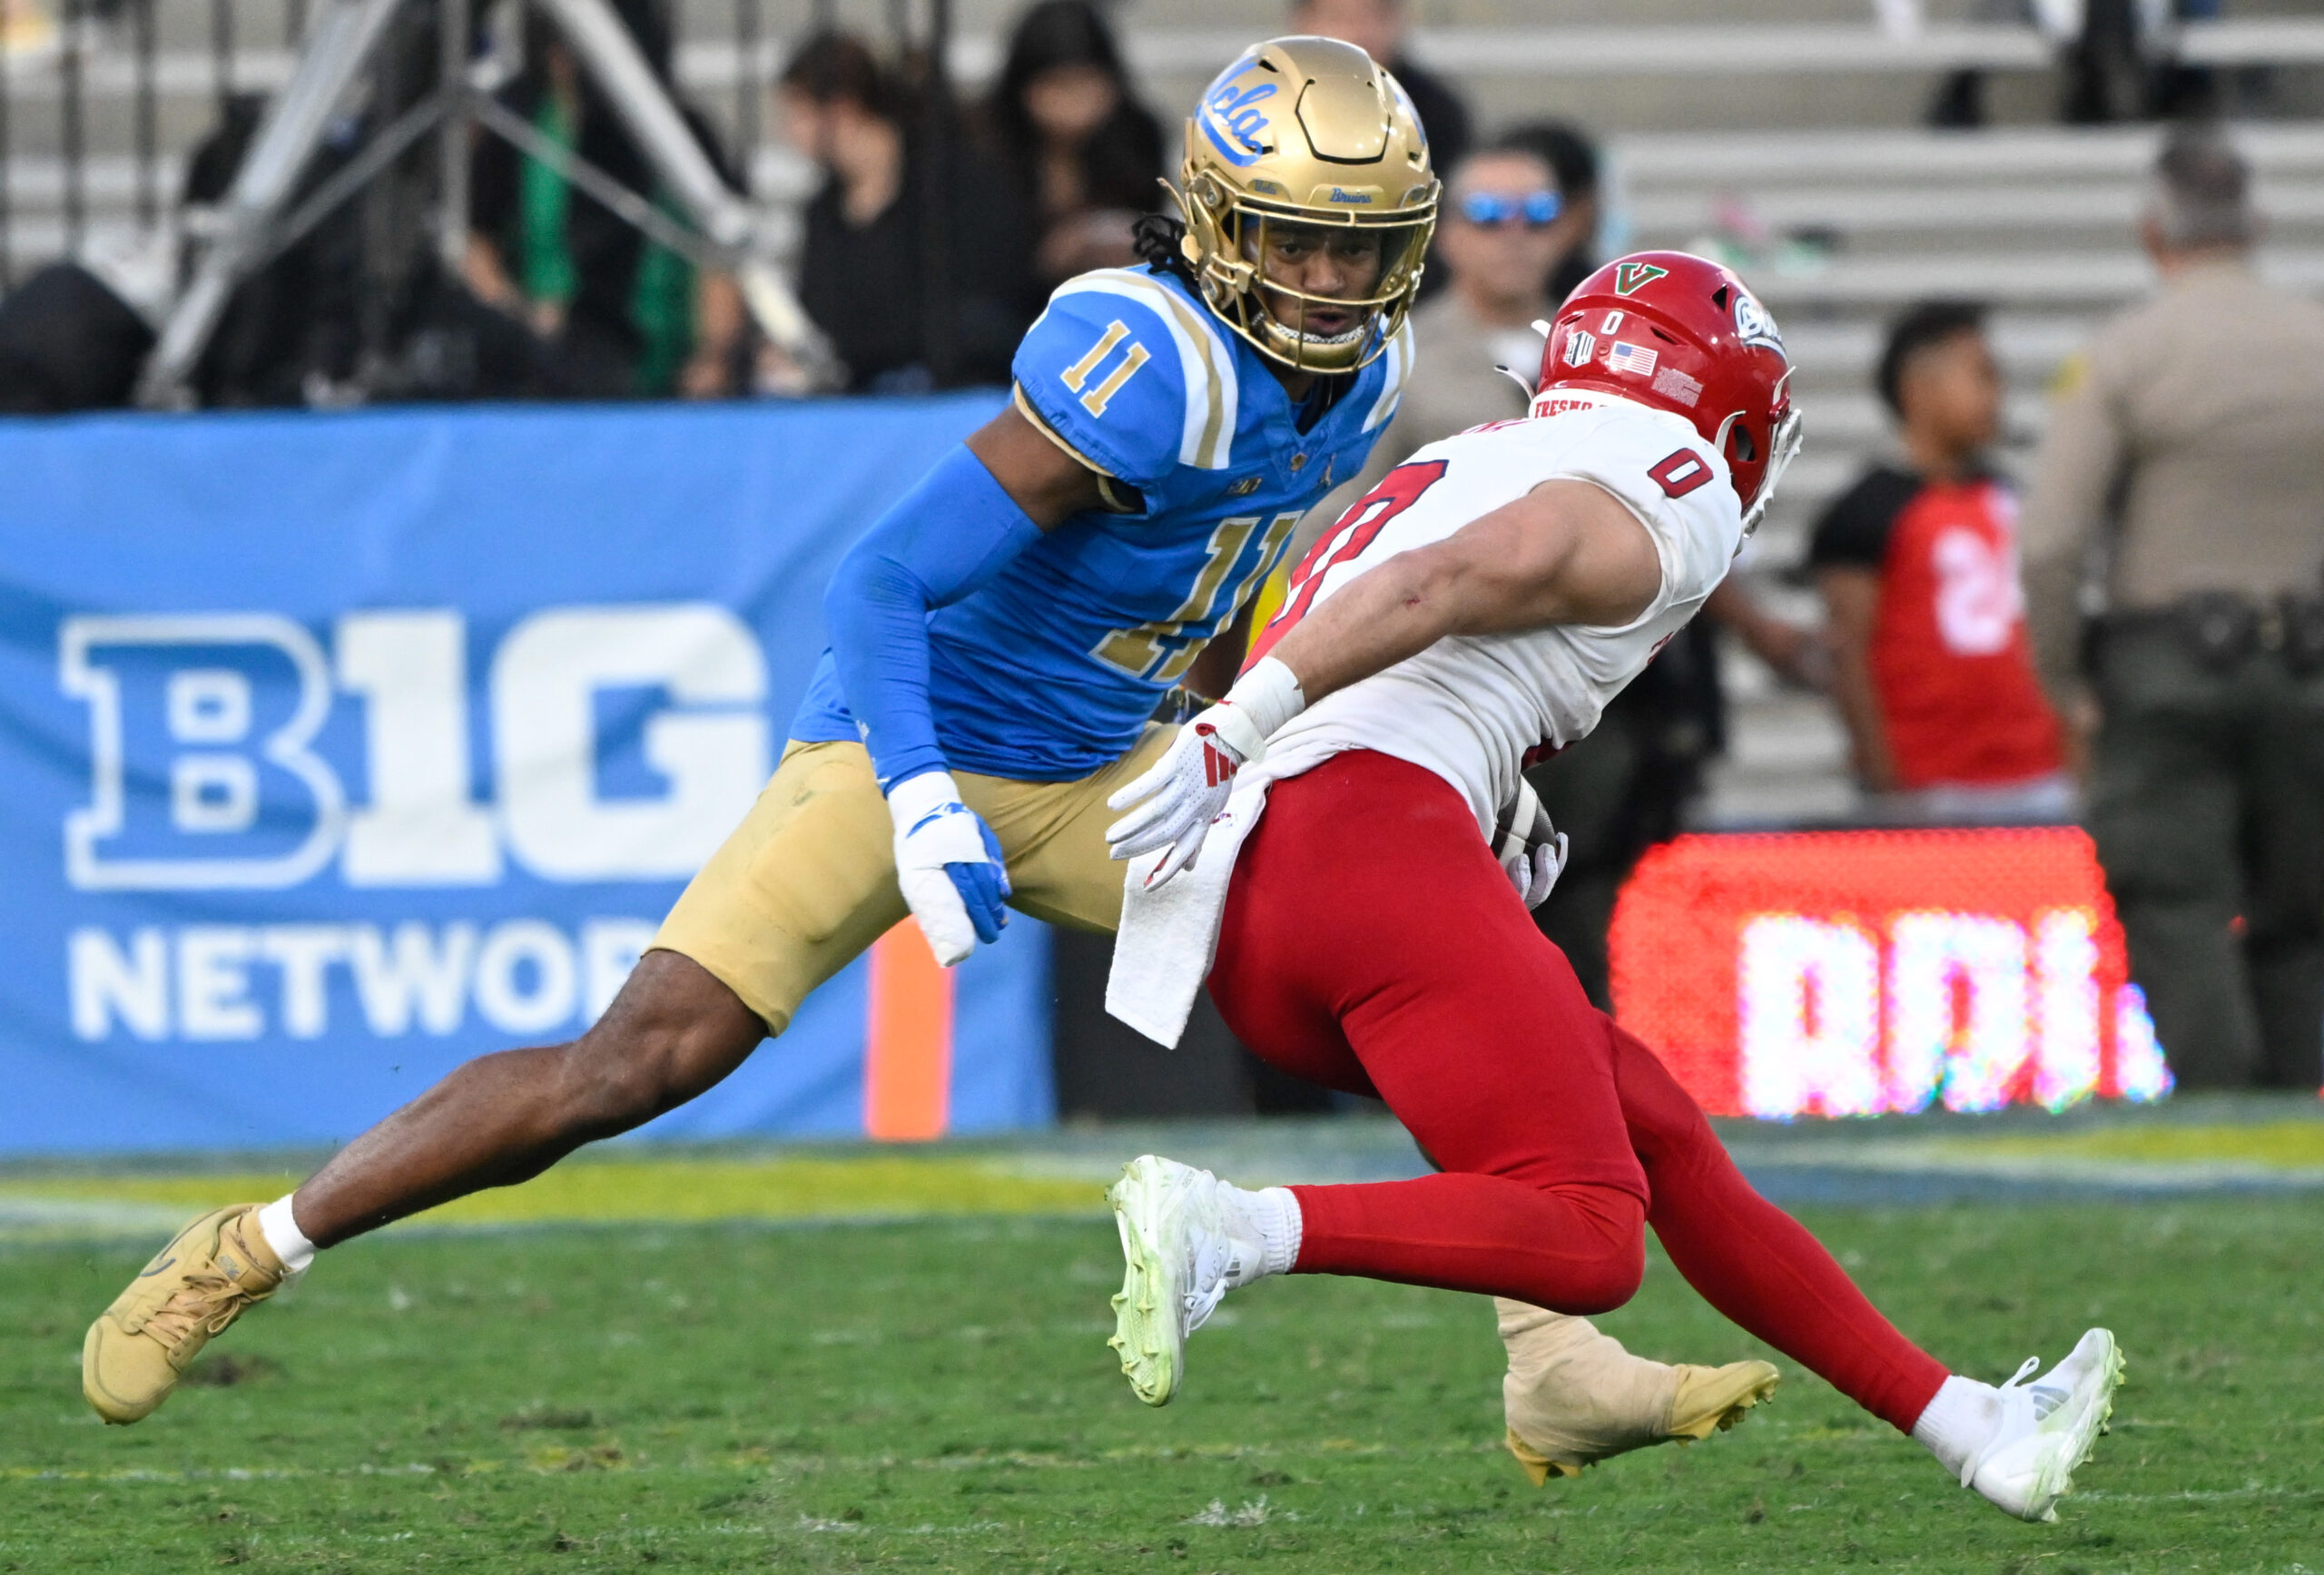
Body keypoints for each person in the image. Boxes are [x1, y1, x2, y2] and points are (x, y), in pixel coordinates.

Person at [84, 41, 1764, 1481]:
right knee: (638, 1065)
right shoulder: (1145, 357)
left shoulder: (1372, 369)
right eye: (1294, 246)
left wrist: (1392, 757)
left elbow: (1263, 583)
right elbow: (878, 578)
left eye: (1360, 249)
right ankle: (255, 1247)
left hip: (1125, 767)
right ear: (1212, 224)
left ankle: (1550, 1350)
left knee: (1424, 962)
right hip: (923, 740)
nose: (1329, 284)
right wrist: (916, 789)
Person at [1098, 251, 2123, 1526]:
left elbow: (1363, 601)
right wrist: (1240, 728)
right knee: (1590, 1235)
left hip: (1271, 899)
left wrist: (1473, 784)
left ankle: (1972, 1424)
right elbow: (1441, 581)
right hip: (1367, 852)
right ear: (1724, 411)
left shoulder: (1494, 444)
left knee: (1663, 1136)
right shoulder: (1667, 478)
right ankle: (1234, 1229)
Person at [2019, 126, 2324, 1091]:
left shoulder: (2124, 357)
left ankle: (2223, 1116)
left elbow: (2050, 542)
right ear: (2257, 225)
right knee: (2305, 913)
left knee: (2177, 905)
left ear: (2153, 233)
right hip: (2310, 666)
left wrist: (2065, 680)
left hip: (2168, 670)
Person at [1809, 300, 2070, 822]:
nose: (1996, 396)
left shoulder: (2007, 495)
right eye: (1982, 376)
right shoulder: (1867, 511)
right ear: (1919, 388)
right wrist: (1887, 782)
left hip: (2038, 773)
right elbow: (1849, 656)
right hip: (1929, 785)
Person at [463, 3, 750, 399]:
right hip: (545, 360)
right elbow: (477, 238)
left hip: (658, 365)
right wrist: (518, 313)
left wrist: (713, 356)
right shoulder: (520, 127)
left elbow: (719, 262)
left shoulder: (688, 138)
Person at [778, 31, 1036, 391]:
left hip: (967, 385)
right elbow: (821, 314)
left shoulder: (953, 180)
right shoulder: (823, 210)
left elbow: (987, 299)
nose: (787, 133)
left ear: (841, 108)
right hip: (867, 397)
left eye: (796, 115)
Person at [982, 0, 1166, 290]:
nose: (1074, 106)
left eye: (1088, 84)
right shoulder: (986, 147)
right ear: (1022, 86)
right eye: (1057, 86)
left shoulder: (1137, 136)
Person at [1289, 0, 1470, 179]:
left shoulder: (1436, 112)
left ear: (1399, 19)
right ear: (1301, 20)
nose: (1357, 32)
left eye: (1372, 15)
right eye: (1335, 17)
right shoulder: (1271, 102)